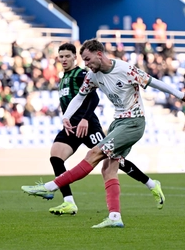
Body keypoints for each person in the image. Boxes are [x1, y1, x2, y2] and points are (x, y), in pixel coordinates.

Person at [22, 39, 185, 228]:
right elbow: (80, 96)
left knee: (93, 154)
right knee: (108, 169)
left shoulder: (125, 69)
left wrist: (181, 96)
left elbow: (154, 83)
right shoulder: (93, 75)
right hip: (117, 122)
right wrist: (66, 116)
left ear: (99, 54)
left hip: (134, 122)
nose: (87, 64)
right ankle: (116, 217)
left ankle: (49, 187)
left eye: (88, 59)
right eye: (84, 61)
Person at [47, 43, 162, 216]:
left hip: (88, 126)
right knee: (56, 156)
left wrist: (85, 119)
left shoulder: (82, 74)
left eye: (67, 56)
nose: (63, 59)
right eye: (60, 56)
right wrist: (66, 119)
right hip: (73, 127)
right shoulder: (63, 78)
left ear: (74, 57)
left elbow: (92, 97)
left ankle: (150, 183)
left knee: (113, 160)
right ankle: (68, 201)